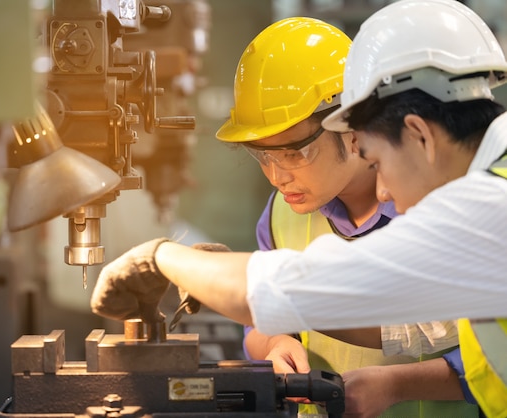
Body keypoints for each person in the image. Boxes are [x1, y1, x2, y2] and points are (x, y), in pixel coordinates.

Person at [90, 0, 507, 417]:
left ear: (419, 135)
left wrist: (163, 257)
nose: (383, 192)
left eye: (377, 160)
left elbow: (301, 292)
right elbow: (421, 328)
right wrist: (272, 338)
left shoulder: (488, 212)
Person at [212, 16, 470, 418]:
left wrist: (397, 386)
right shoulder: (283, 212)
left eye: (295, 153)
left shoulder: (438, 208)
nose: (278, 176)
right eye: (262, 155)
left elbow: (491, 355)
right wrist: (276, 343)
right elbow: (262, 325)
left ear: (351, 129)